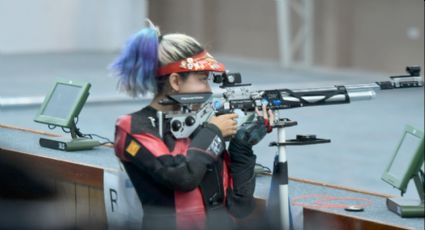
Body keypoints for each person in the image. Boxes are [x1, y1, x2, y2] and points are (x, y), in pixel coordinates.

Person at [110, 20, 274, 230]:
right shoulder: (133, 127)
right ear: (176, 82)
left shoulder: (200, 127)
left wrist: (241, 148)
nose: (208, 89)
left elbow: (239, 207)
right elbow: (181, 177)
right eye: (202, 79)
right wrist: (214, 133)